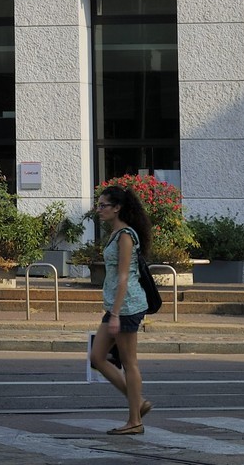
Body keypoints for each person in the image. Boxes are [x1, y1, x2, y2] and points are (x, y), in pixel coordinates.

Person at [88, 184, 153, 435]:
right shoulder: (116, 234)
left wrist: (115, 314)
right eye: (99, 205)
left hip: (126, 306)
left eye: (104, 205)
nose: (99, 210)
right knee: (97, 357)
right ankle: (138, 403)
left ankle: (135, 420)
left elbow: (124, 276)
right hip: (117, 305)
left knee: (129, 362)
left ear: (117, 208)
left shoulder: (126, 235)